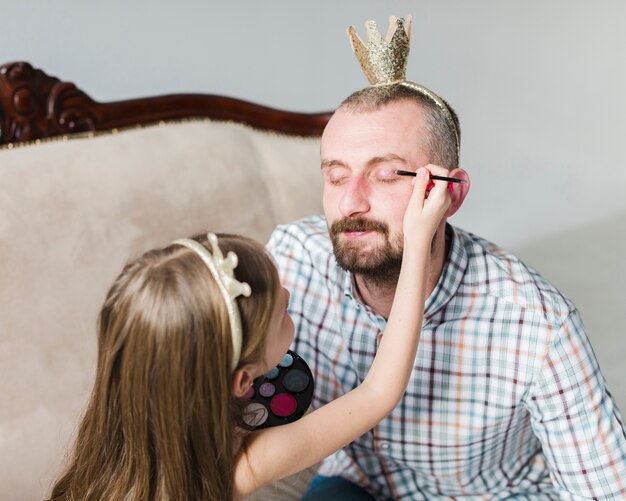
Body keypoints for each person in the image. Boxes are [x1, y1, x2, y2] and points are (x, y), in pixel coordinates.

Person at [266, 16, 626, 500]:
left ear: (449, 195)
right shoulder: (290, 262)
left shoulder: (536, 324)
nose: (351, 201)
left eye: (388, 174)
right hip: (357, 482)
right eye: (336, 175)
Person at [48, 164, 450, 500]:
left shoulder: (107, 455)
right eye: (282, 311)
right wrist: (416, 243)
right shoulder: (234, 469)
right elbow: (378, 393)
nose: (291, 293)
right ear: (242, 379)